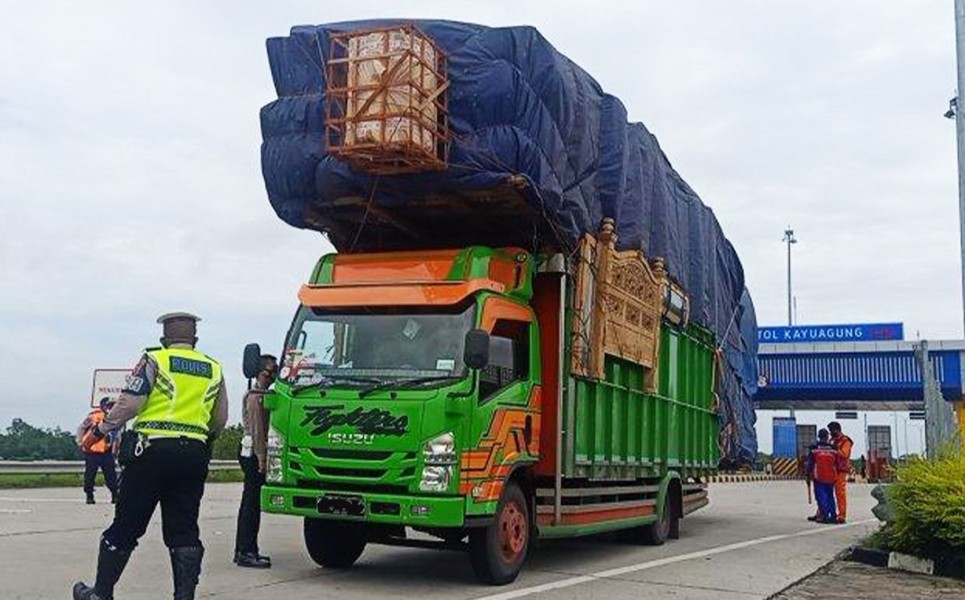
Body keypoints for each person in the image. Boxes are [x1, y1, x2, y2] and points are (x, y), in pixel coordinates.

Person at [73, 312, 228, 600]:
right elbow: (219, 419)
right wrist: (198, 441)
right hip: (193, 455)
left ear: (164, 339)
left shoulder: (155, 359)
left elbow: (130, 403)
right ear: (195, 340)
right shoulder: (214, 368)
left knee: (127, 525)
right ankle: (184, 596)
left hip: (152, 453)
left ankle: (101, 593)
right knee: (184, 529)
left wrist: (101, 429)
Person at [233, 354, 277, 569]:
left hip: (251, 451)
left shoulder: (261, 394)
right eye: (266, 373)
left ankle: (245, 549)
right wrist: (262, 458)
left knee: (250, 502)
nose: (270, 378)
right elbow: (259, 431)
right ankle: (246, 550)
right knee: (251, 503)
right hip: (253, 453)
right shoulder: (256, 397)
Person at [76, 397, 119, 505]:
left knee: (111, 475)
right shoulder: (93, 417)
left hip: (107, 452)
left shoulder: (115, 418)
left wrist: (115, 450)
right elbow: (81, 428)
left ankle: (115, 495)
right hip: (92, 451)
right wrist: (80, 442)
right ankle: (89, 495)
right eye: (109, 406)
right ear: (103, 406)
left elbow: (116, 436)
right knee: (90, 475)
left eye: (113, 406)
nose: (111, 408)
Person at [805, 429, 838, 524]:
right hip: (831, 476)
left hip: (819, 477)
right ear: (827, 437)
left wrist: (807, 474)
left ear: (818, 436)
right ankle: (833, 516)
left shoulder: (814, 449)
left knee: (821, 496)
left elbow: (810, 464)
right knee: (830, 496)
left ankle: (824, 516)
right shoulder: (834, 449)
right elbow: (837, 463)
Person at [828, 421, 854, 523]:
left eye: (831, 431)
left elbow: (844, 454)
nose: (830, 433)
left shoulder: (846, 441)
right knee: (826, 492)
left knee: (840, 493)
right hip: (830, 469)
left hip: (840, 470)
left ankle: (842, 515)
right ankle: (822, 513)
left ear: (837, 430)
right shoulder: (831, 440)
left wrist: (836, 449)